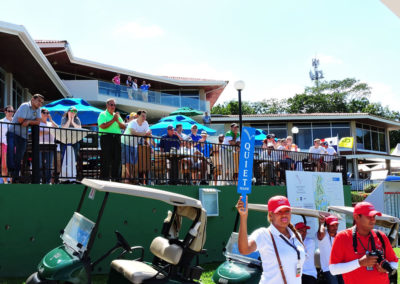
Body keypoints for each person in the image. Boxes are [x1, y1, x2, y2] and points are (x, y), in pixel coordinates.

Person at [237, 195, 305, 284]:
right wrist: (243, 217)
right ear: (270, 215)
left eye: (287, 211)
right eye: (279, 211)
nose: (284, 214)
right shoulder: (263, 234)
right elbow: (244, 249)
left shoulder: (296, 236)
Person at [330, 202, 398, 284]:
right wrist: (359, 263)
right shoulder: (342, 237)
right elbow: (333, 269)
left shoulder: (381, 236)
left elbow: (395, 263)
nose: (373, 219)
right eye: (369, 216)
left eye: (374, 216)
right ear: (356, 217)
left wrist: (386, 269)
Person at [7, 94, 43, 183]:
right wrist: (30, 121)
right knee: (11, 152)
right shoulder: (25, 105)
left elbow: (38, 122)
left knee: (19, 157)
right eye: (39, 101)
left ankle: (15, 177)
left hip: (23, 136)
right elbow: (20, 120)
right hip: (13, 132)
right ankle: (10, 173)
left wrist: (29, 121)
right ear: (32, 99)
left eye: (41, 102)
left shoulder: (38, 109)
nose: (40, 103)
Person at [98, 99, 126, 181]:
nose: (113, 106)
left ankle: (116, 179)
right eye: (111, 104)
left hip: (116, 138)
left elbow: (123, 126)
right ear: (107, 105)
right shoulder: (102, 114)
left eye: (114, 105)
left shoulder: (116, 116)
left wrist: (117, 120)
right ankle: (105, 179)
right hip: (106, 138)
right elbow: (102, 126)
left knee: (117, 159)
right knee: (106, 159)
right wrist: (113, 120)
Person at [123, 110, 151, 184]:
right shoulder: (133, 122)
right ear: (138, 116)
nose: (144, 117)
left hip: (134, 144)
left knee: (133, 162)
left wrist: (147, 133)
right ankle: (127, 179)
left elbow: (149, 132)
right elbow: (133, 132)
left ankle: (131, 178)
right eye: (142, 116)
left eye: (145, 116)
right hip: (125, 142)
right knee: (128, 162)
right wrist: (144, 133)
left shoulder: (146, 123)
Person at [317, 215, 344, 284]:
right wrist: (322, 223)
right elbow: (320, 234)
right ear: (327, 226)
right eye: (332, 225)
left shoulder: (339, 235)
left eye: (336, 225)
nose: (335, 227)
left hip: (340, 267)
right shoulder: (323, 234)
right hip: (328, 269)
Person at [39, 108, 58, 183]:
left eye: (48, 113)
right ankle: (39, 180)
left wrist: (51, 120)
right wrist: (50, 131)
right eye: (45, 112)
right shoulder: (38, 122)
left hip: (50, 146)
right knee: (39, 164)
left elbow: (57, 128)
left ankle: (48, 181)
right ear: (40, 114)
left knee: (49, 165)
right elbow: (38, 133)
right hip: (39, 145)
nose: (47, 114)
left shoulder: (50, 123)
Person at [0, 105, 14, 183]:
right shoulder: (1, 121)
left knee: (13, 165)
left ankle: (12, 182)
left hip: (13, 145)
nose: (10, 113)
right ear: (5, 112)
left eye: (12, 111)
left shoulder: (15, 122)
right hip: (4, 144)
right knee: (4, 165)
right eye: (9, 111)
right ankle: (5, 182)